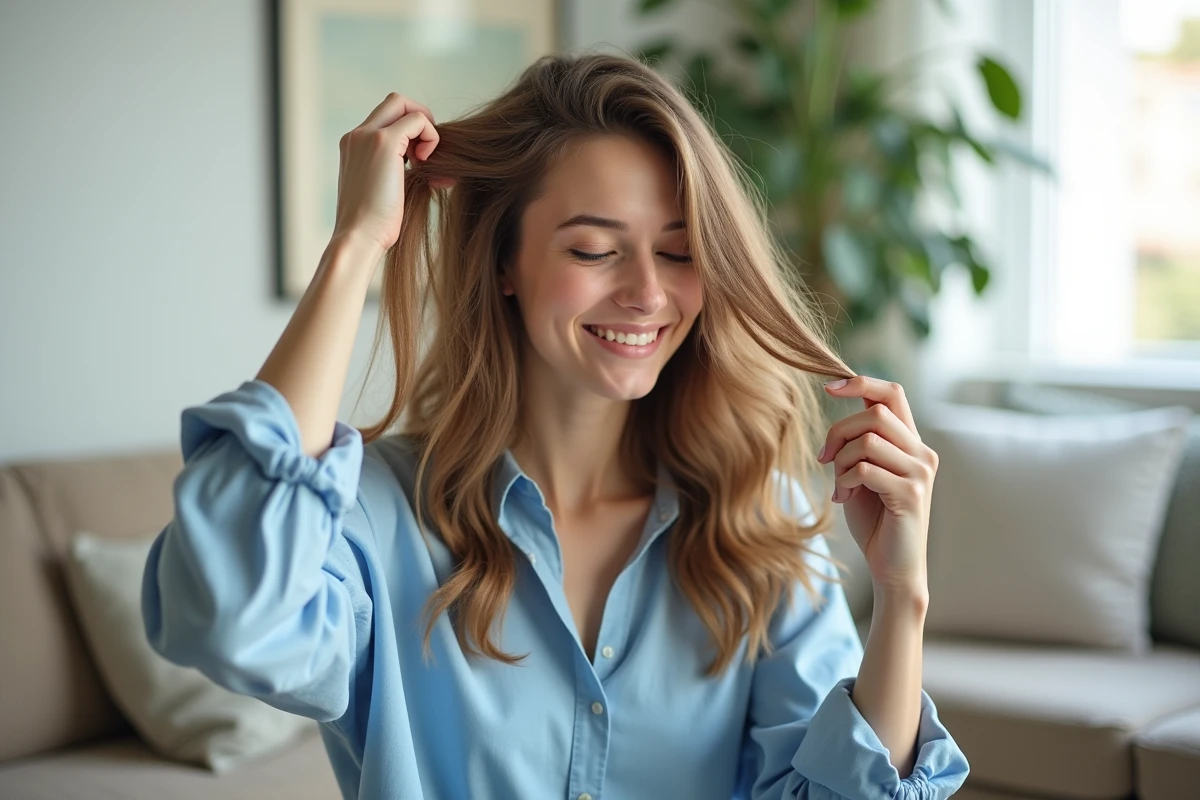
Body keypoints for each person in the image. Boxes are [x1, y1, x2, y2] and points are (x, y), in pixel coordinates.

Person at [141, 50, 969, 800]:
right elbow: (226, 615)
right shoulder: (374, 519)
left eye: (679, 253)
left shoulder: (761, 520)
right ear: (505, 261)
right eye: (593, 250)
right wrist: (357, 243)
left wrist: (902, 598)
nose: (648, 293)